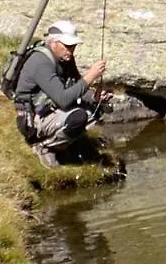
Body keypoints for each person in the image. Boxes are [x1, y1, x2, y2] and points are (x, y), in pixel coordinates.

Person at [13, 20, 107, 166]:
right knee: (78, 118)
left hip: (51, 109)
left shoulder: (66, 59)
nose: (71, 50)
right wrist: (90, 76)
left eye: (73, 46)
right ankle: (44, 146)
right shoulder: (40, 62)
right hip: (33, 117)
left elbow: (76, 87)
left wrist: (94, 97)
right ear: (53, 43)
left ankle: (66, 143)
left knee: (96, 108)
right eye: (67, 46)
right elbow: (63, 99)